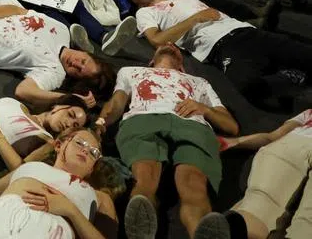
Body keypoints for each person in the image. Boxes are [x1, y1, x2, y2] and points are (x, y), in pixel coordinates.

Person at [95, 44, 237, 239]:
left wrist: (204, 109)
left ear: (182, 66)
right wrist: (100, 122)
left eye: (175, 46)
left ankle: (202, 231)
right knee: (144, 178)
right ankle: (141, 227)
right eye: (165, 44)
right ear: (151, 61)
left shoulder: (199, 82)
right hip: (143, 119)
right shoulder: (131, 72)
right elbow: (117, 103)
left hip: (192, 124)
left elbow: (231, 126)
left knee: (194, 184)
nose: (170, 44)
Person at [127, 0, 312, 103]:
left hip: (246, 32)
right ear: (136, 3)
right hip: (222, 47)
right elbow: (156, 39)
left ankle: (286, 69)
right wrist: (195, 19)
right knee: (249, 86)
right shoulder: (145, 13)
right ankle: (289, 75)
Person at [213, 107, 312, 239]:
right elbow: (272, 137)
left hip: (292, 146)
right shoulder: (308, 113)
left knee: (265, 207)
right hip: (295, 144)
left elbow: (273, 137)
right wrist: (234, 142)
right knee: (266, 209)